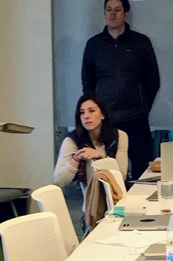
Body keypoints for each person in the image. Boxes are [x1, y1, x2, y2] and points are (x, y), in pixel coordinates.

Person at [79, 0, 159, 182]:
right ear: (104, 14)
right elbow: (87, 80)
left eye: (117, 10)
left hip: (136, 118)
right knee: (110, 171)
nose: (112, 14)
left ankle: (143, 208)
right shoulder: (94, 44)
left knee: (142, 170)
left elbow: (152, 80)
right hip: (107, 121)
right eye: (108, 10)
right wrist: (95, 111)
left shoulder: (141, 42)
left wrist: (144, 107)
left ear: (126, 14)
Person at [54, 94, 129, 228]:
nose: (86, 116)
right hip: (92, 208)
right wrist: (76, 158)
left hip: (119, 202)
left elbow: (120, 175)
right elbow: (58, 180)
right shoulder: (72, 141)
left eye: (92, 111)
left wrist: (101, 156)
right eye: (82, 113)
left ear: (103, 114)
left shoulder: (120, 136)